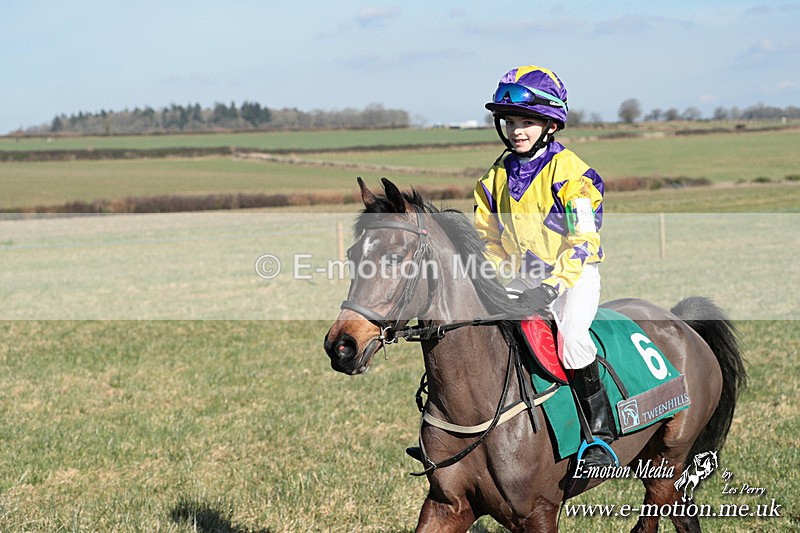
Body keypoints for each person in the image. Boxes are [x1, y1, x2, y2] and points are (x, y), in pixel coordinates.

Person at [474, 65, 616, 467]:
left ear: (550, 124)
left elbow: (585, 241)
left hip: (573, 277)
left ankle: (599, 433)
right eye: (511, 121)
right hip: (522, 280)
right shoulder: (491, 181)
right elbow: (488, 240)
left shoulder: (573, 175)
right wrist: (501, 280)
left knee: (571, 340)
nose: (517, 130)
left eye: (528, 122)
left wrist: (553, 285)